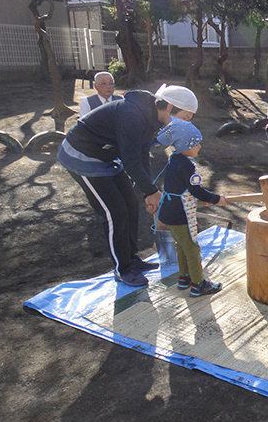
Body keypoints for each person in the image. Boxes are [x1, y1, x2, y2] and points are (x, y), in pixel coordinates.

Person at [57, 84, 198, 287]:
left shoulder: (152, 118)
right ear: (169, 107)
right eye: (184, 118)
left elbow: (142, 156)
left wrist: (147, 191)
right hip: (82, 156)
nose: (183, 124)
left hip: (107, 157)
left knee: (131, 205)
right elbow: (131, 160)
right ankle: (122, 269)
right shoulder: (131, 114)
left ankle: (132, 260)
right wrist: (151, 191)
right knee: (115, 212)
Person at [156, 120, 225, 297]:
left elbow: (182, 188)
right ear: (185, 145)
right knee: (193, 249)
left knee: (181, 246)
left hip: (169, 211)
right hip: (181, 215)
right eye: (195, 144)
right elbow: (196, 189)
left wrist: (204, 199)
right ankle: (199, 284)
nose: (199, 146)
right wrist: (216, 199)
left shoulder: (174, 159)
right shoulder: (188, 165)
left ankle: (184, 277)